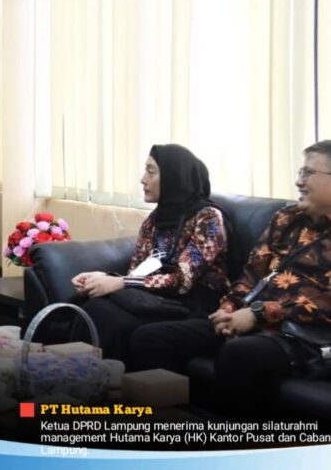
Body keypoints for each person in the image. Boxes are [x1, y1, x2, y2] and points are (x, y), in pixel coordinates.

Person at [130, 140, 331, 415]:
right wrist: (229, 308)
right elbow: (252, 273)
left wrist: (258, 314)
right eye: (300, 172)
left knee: (241, 353)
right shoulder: (286, 219)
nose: (299, 181)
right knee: (150, 338)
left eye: (308, 173)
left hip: (304, 338)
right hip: (249, 319)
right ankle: (177, 423)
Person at [70, 144, 230, 364]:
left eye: (151, 172)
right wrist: (103, 279)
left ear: (174, 177)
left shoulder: (208, 218)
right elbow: (137, 272)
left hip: (194, 307)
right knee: (95, 308)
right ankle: (74, 377)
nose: (143, 179)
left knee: (117, 323)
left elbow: (183, 280)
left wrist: (120, 282)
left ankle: (108, 381)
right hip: (157, 301)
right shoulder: (153, 221)